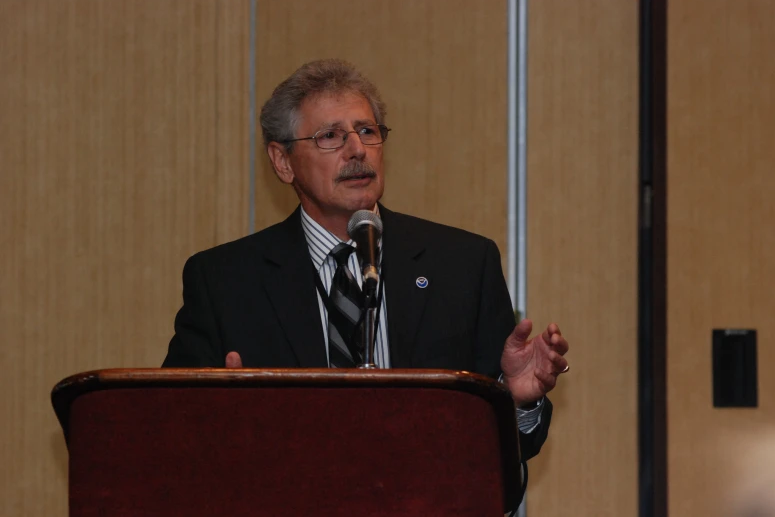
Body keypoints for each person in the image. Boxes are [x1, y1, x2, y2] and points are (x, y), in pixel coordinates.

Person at [162, 58, 569, 490]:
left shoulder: (463, 265)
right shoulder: (224, 281)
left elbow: (507, 453)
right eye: (331, 136)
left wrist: (517, 398)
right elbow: (165, 437)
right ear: (283, 162)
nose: (357, 149)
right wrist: (214, 418)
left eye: (368, 132)